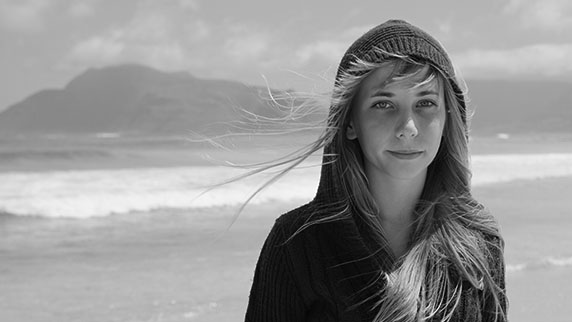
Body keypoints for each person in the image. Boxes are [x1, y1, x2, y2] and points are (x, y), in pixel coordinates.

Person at [244, 19, 507, 322]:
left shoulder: (478, 243)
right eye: (383, 104)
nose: (407, 128)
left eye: (425, 103)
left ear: (448, 119)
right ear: (350, 122)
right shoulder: (297, 244)